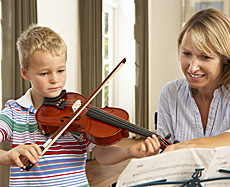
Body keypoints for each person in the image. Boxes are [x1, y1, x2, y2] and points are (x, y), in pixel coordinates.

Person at [0, 25, 160, 186]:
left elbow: (101, 154)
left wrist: (129, 152)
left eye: (61, 70)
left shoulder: (77, 112)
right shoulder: (14, 112)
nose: (55, 80)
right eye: (44, 73)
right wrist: (6, 156)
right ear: (25, 73)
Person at [157, 8, 230, 153]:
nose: (192, 68)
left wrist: (185, 147)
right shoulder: (170, 92)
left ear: (225, 58)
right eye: (186, 54)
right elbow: (164, 152)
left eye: (205, 57)